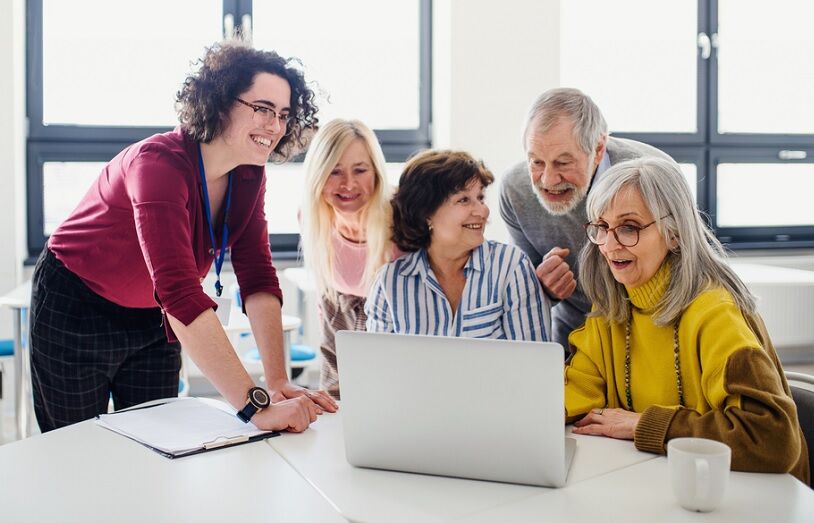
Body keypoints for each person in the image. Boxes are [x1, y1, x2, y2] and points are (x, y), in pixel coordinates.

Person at [30, 41, 337, 434]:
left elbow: (258, 274)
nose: (275, 126)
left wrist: (276, 384)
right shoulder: (157, 164)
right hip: (76, 305)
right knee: (72, 449)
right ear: (221, 100)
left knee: (154, 447)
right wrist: (254, 408)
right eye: (261, 109)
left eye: (283, 114)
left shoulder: (248, 174)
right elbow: (178, 290)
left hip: (154, 319)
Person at [564, 157, 809, 483]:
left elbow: (772, 439)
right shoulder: (612, 307)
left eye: (628, 227)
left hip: (757, 497)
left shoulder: (716, 313)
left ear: (674, 233)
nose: (608, 245)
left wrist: (643, 424)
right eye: (601, 227)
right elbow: (579, 394)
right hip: (671, 484)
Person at [499, 87, 671, 348]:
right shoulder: (515, 191)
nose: (548, 180)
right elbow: (526, 295)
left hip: (652, 329)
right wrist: (542, 287)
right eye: (536, 162)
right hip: (575, 333)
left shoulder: (652, 177)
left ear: (598, 149)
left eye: (563, 163)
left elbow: (689, 269)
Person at [366, 150, 550, 341]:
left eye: (480, 198)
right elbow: (376, 367)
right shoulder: (389, 283)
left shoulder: (511, 267)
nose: (483, 211)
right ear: (425, 212)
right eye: (463, 200)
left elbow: (532, 364)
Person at [300, 119, 398, 399]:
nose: (348, 184)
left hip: (396, 336)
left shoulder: (402, 216)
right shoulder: (312, 217)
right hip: (340, 331)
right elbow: (325, 302)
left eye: (360, 170)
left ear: (376, 172)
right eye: (334, 172)